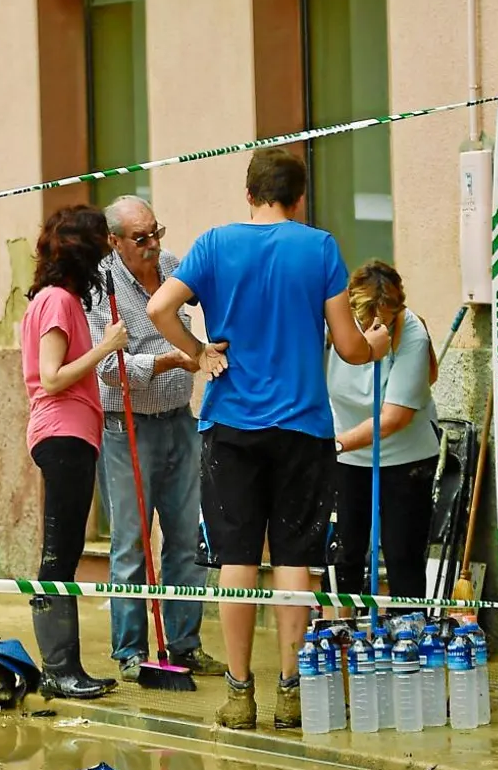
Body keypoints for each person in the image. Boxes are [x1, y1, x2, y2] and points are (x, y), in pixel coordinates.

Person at [145, 148, 390, 731]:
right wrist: (377, 345)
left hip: (230, 424)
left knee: (235, 560)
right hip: (303, 427)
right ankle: (290, 690)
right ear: (299, 198)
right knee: (294, 561)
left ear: (248, 193)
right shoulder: (320, 248)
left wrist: (199, 351)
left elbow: (159, 307)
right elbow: (351, 348)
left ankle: (238, 691)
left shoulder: (212, 244)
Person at [86, 195, 226, 681]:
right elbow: (107, 368)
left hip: (180, 420)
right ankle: (129, 650)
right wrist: (172, 359)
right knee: (131, 543)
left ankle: (184, 644)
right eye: (140, 238)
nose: (152, 245)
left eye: (156, 232)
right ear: (114, 241)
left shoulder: (171, 265)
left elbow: (212, 294)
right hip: (128, 427)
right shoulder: (98, 286)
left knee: (187, 538)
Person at [22, 204, 131, 701]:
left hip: (71, 434)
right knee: (59, 554)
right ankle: (60, 669)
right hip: (62, 433)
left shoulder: (55, 298)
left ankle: (65, 666)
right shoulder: (59, 301)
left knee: (61, 552)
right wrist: (107, 346)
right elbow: (51, 376)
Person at [327, 259, 441, 606]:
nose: (376, 326)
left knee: (401, 551)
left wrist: (337, 443)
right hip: (347, 455)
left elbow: (393, 417)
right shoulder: (332, 326)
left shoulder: (412, 335)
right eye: (365, 319)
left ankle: (408, 627)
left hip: (406, 455)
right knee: (347, 549)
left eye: (385, 317)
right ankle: (344, 626)